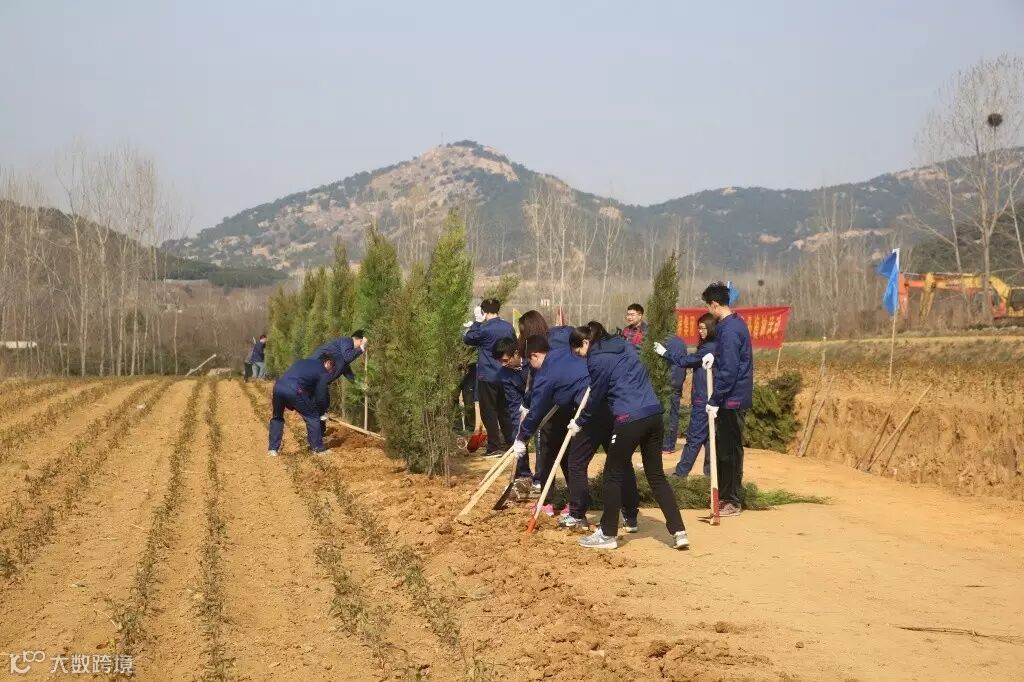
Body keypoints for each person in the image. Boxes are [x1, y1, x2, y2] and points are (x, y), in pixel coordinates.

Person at [570, 322, 688, 550]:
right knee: (656, 476)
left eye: (578, 351)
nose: (580, 356)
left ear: (585, 342)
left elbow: (596, 397)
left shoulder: (596, 359)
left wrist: (579, 421)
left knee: (612, 475)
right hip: (653, 414)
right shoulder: (623, 346)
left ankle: (607, 534)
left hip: (628, 419)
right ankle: (679, 531)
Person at [510, 334, 593, 528]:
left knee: (573, 461)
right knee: (561, 457)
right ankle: (564, 504)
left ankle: (577, 510)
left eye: (530, 361)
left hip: (583, 410)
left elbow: (537, 409)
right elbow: (536, 392)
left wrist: (522, 437)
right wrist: (526, 403)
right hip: (577, 406)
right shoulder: (563, 352)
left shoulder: (546, 371)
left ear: (535, 355)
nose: (531, 367)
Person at [702, 282, 753, 517]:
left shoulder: (730, 329)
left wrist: (715, 398)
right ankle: (724, 496)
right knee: (724, 448)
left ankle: (731, 500)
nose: (708, 310)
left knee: (729, 451)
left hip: (732, 398)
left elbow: (730, 370)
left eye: (708, 306)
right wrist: (715, 356)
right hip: (730, 396)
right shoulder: (731, 324)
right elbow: (728, 360)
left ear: (715, 304)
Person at [656, 314, 717, 477]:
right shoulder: (710, 346)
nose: (700, 331)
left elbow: (686, 361)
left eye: (704, 328)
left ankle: (680, 474)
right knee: (709, 438)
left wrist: (666, 354)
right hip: (706, 396)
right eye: (699, 328)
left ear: (712, 328)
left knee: (694, 437)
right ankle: (710, 475)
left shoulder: (710, 348)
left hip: (703, 398)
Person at [463, 299, 516, 456]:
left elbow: (467, 338)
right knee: (505, 411)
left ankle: (494, 446)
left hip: (487, 375)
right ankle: (511, 442)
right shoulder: (508, 327)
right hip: (505, 373)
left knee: (489, 412)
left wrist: (476, 323)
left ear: (483, 311)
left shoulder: (484, 329)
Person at [268, 353, 335, 456]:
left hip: (278, 387)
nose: (331, 371)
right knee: (313, 416)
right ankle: (318, 449)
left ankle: (272, 449)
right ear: (328, 363)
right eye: (332, 368)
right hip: (294, 389)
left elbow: (307, 387)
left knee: (277, 417)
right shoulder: (322, 371)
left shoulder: (303, 362)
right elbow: (321, 395)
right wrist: (322, 412)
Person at [308, 330, 367, 438]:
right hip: (314, 375)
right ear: (359, 340)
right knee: (319, 404)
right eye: (361, 342)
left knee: (322, 404)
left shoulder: (342, 356)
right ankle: (316, 435)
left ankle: (319, 433)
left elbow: (348, 373)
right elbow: (348, 357)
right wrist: (362, 348)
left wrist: (360, 384)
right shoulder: (347, 341)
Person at [492, 337, 531, 479]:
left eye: (505, 360)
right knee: (517, 435)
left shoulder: (532, 361)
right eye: (500, 362)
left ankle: (541, 479)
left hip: (543, 403)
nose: (503, 364)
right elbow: (514, 403)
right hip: (523, 406)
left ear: (515, 353)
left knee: (542, 441)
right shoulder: (503, 374)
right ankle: (524, 475)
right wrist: (519, 427)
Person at [660, 334, 688, 453]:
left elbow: (678, 368)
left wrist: (672, 385)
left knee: (670, 413)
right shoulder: (658, 339)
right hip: (662, 385)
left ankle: (667, 444)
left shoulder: (675, 343)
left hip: (669, 386)